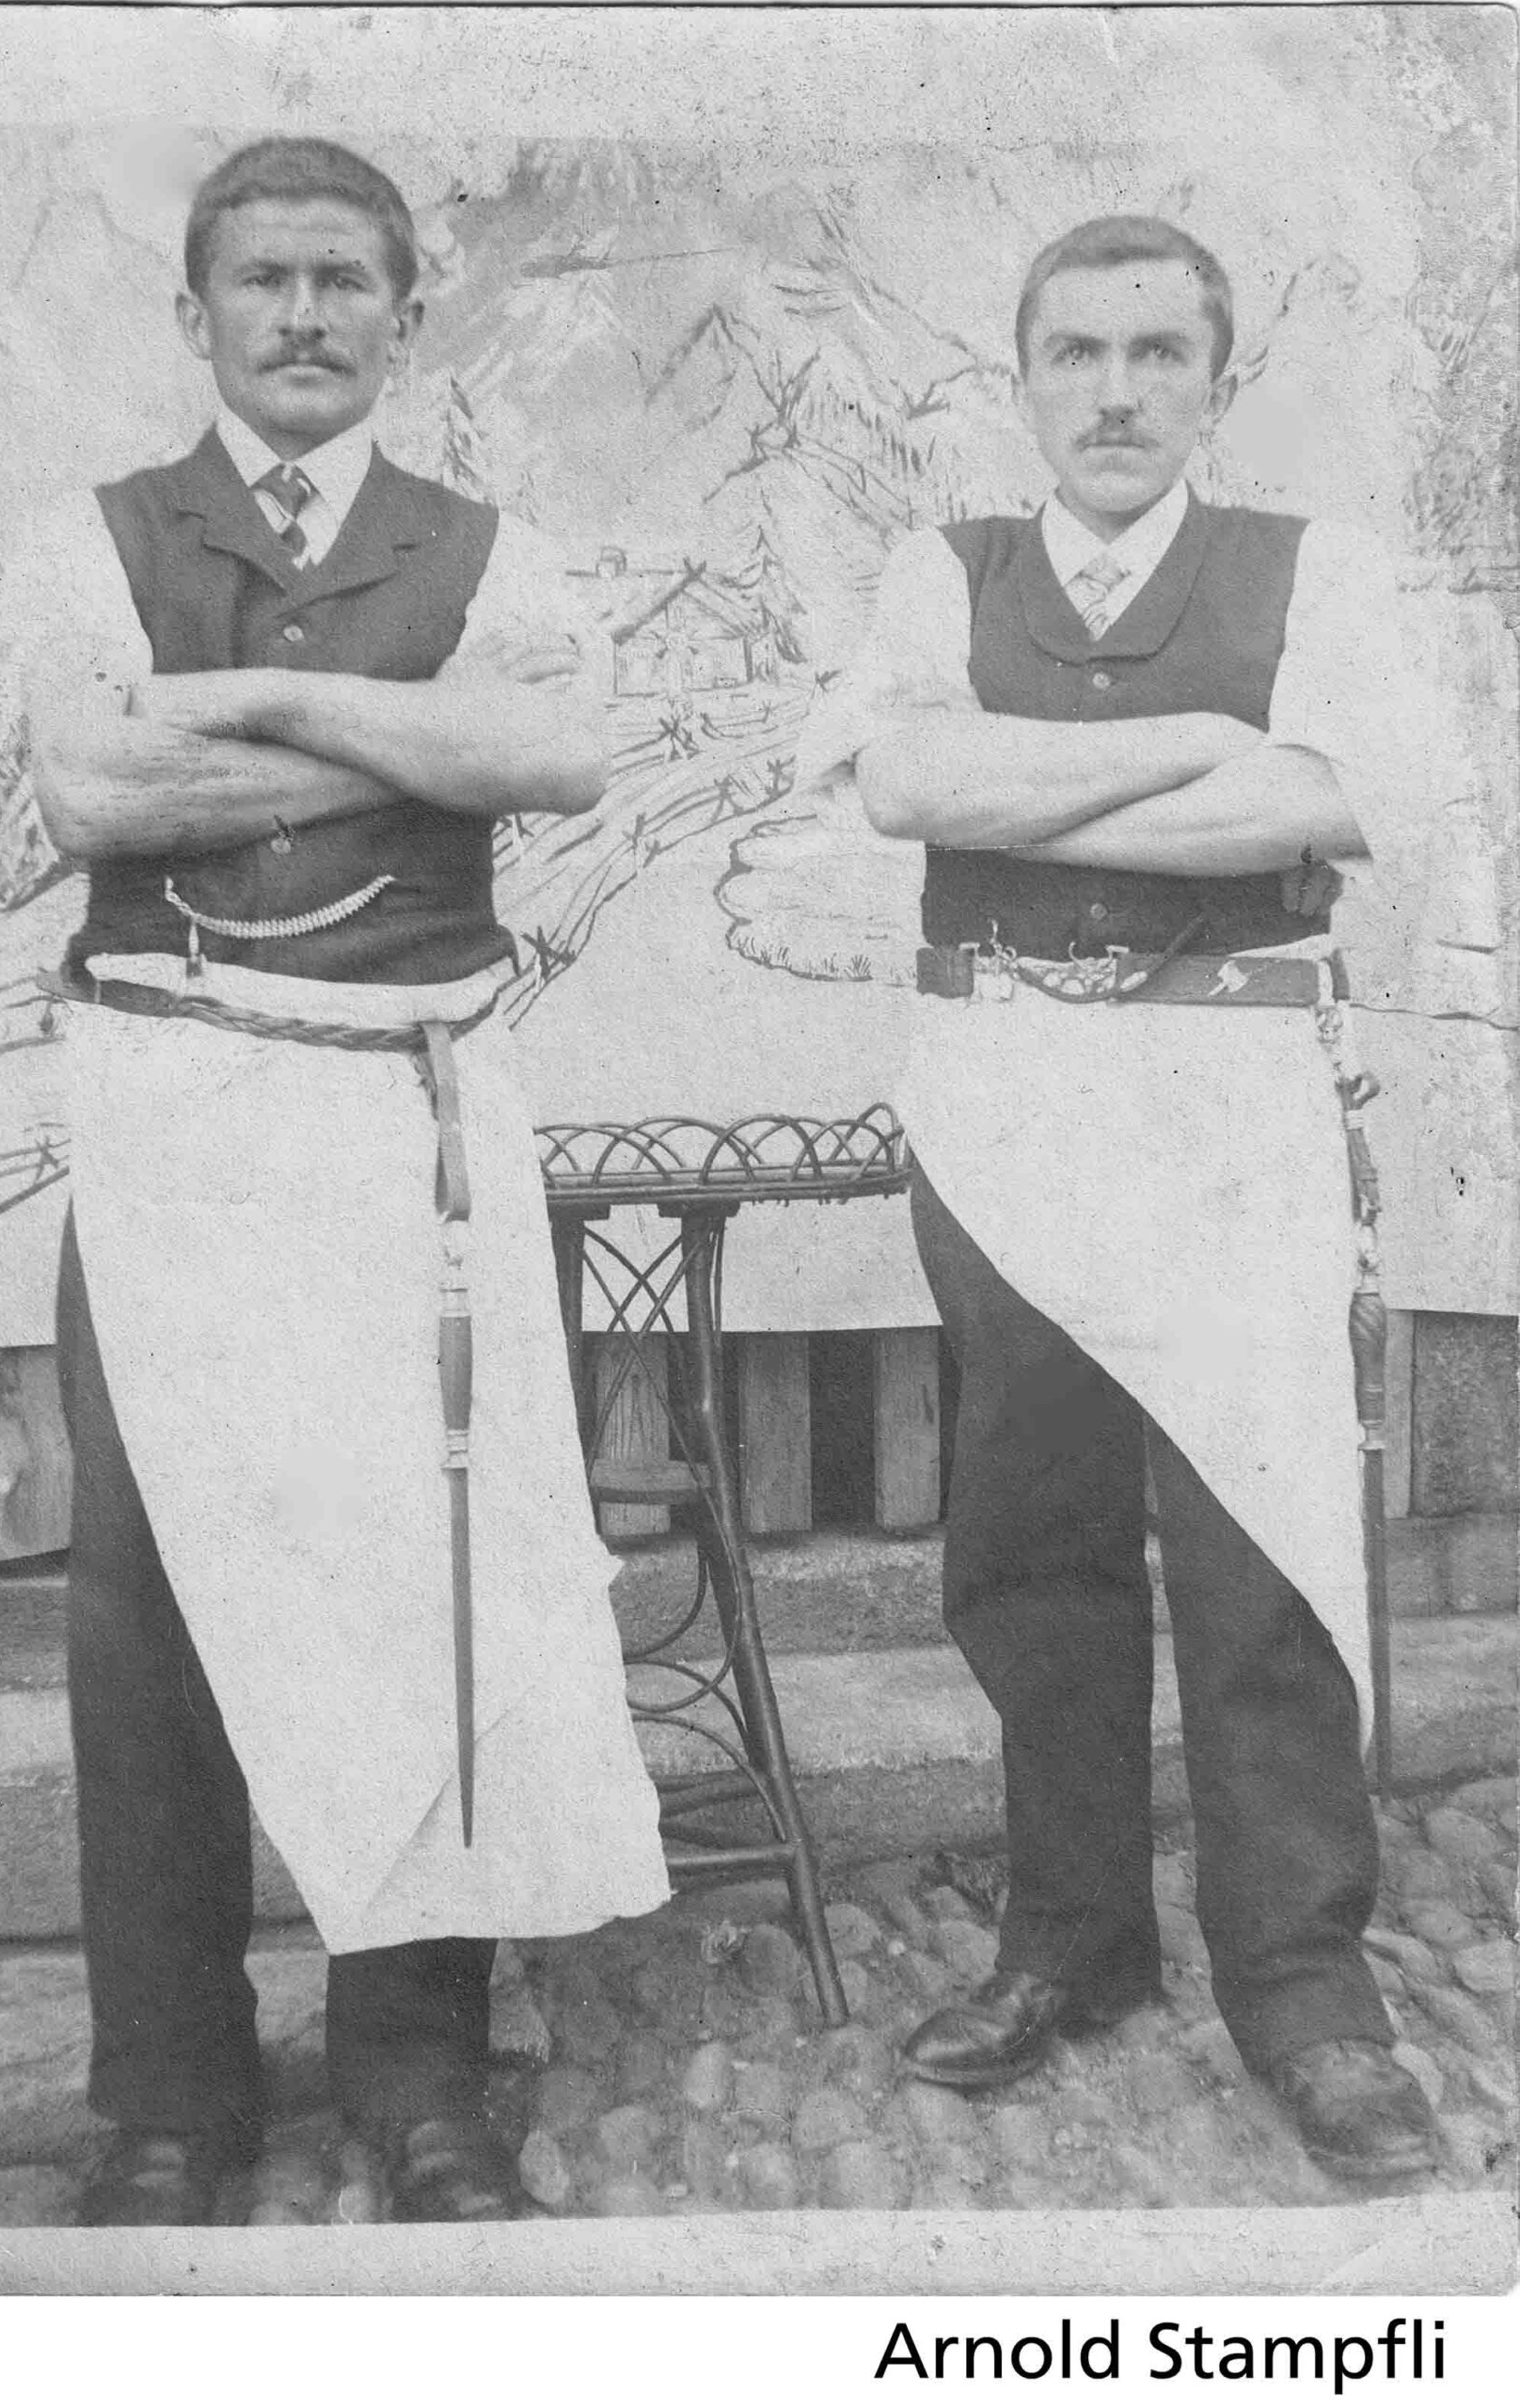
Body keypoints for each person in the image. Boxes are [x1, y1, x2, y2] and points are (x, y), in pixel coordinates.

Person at [0, 135, 670, 2225]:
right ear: (194, 310)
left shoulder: (488, 548)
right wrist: (409, 731)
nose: (303, 315)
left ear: (405, 312)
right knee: (152, 1606)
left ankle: (419, 2074)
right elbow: (91, 783)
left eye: (343, 281)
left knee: (427, 1588)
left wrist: (266, 691)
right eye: (264, 279)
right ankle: (170, 2092)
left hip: (410, 1115)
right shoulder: (91, 537)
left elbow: (556, 756)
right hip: (176, 1111)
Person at [799, 216, 1442, 2188]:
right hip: (1004, 1095)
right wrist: (1193, 746)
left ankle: (1305, 1991)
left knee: (1257, 1549)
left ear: (1216, 385)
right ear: (1021, 379)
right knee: (1030, 1542)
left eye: (1158, 353)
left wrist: (1044, 777)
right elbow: (909, 790)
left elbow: (1329, 800)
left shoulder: (1307, 570)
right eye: (1074, 352)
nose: (1114, 391)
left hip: (1225, 1090)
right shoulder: (946, 571)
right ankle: (1070, 1936)